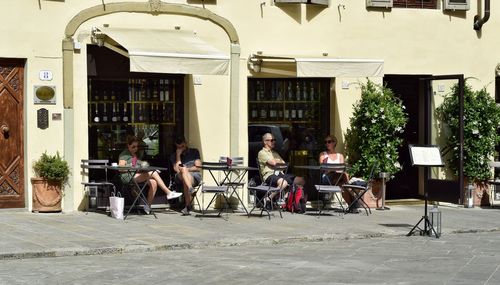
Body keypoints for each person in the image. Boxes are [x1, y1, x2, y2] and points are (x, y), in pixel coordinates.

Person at [119, 136, 182, 214]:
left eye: (137, 147)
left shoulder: (134, 155)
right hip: (127, 177)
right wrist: (133, 167)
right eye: (133, 147)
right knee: (153, 173)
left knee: (153, 182)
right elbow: (121, 169)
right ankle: (168, 192)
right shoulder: (124, 154)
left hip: (136, 175)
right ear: (128, 145)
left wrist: (143, 167)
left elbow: (137, 167)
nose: (135, 149)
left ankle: (148, 206)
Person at [258, 132, 302, 210]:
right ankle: (268, 198)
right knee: (283, 183)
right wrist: (277, 162)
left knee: (300, 180)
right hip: (269, 175)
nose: (274, 142)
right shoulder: (262, 153)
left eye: (274, 140)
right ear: (265, 142)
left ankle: (289, 200)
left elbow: (284, 165)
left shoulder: (274, 153)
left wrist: (276, 162)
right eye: (272, 140)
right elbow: (274, 163)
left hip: (280, 174)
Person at [170, 135, 202, 216]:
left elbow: (198, 167)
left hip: (194, 176)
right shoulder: (174, 155)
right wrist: (178, 155)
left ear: (186, 143)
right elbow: (177, 169)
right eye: (179, 147)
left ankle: (188, 206)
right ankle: (191, 189)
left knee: (185, 176)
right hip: (179, 176)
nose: (181, 148)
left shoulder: (194, 152)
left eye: (182, 146)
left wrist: (186, 170)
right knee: (183, 172)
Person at [318, 134, 351, 205]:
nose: (327, 144)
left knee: (342, 183)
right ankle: (352, 201)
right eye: (325, 142)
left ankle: (351, 205)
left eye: (329, 141)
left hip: (338, 177)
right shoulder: (323, 154)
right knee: (343, 179)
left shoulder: (340, 156)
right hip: (327, 177)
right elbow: (323, 167)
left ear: (334, 142)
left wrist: (332, 169)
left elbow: (342, 169)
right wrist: (333, 170)